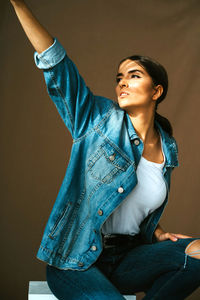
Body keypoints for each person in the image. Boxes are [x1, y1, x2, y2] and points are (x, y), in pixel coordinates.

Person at [10, 1, 200, 299]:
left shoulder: (168, 147)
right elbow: (57, 66)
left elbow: (133, 202)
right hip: (76, 261)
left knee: (198, 255)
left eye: (134, 75)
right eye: (119, 78)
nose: (122, 82)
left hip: (127, 260)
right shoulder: (96, 119)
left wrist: (159, 232)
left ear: (157, 91)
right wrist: (18, 4)